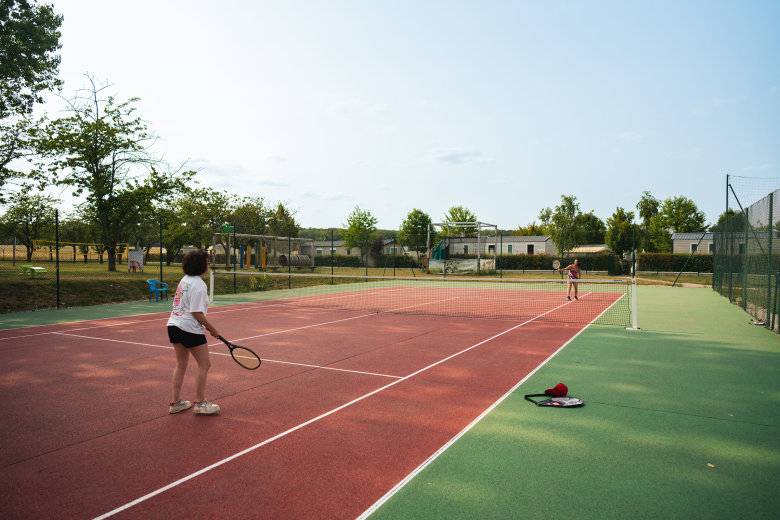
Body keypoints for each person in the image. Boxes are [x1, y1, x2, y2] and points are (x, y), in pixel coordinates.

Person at [166, 249, 221, 415]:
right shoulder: (199, 285)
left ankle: (176, 403)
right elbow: (197, 313)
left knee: (181, 365)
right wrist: (213, 329)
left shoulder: (185, 280)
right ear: (201, 265)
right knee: (204, 364)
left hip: (173, 325)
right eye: (208, 262)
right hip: (188, 328)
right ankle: (200, 402)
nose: (209, 265)